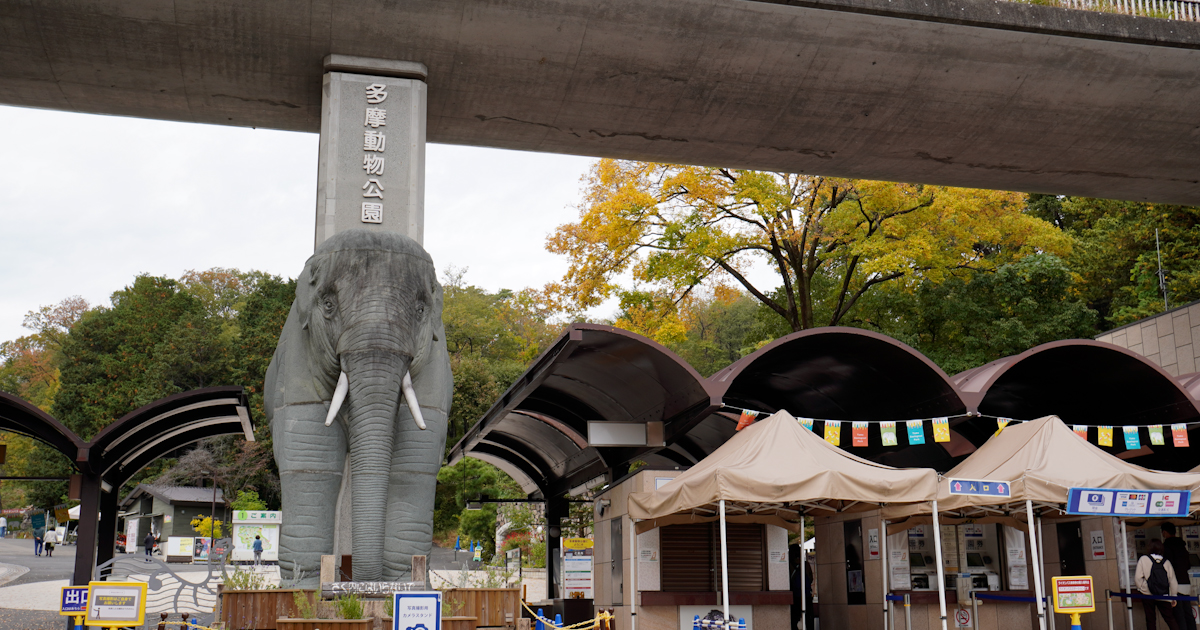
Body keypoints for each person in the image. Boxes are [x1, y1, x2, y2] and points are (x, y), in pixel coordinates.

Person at [1138, 539, 1182, 630]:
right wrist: (1173, 596)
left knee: (1150, 620)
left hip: (1148, 595)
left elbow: (1137, 578)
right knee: (1170, 619)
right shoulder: (1166, 562)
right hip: (1164, 594)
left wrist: (1144, 589)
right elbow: (1173, 581)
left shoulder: (1143, 559)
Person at [1163, 523, 1196, 630]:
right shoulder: (1182, 547)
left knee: (1179, 614)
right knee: (1188, 613)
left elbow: (1168, 566)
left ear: (1164, 532)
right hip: (1186, 581)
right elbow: (1188, 565)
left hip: (1175, 583)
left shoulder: (1167, 546)